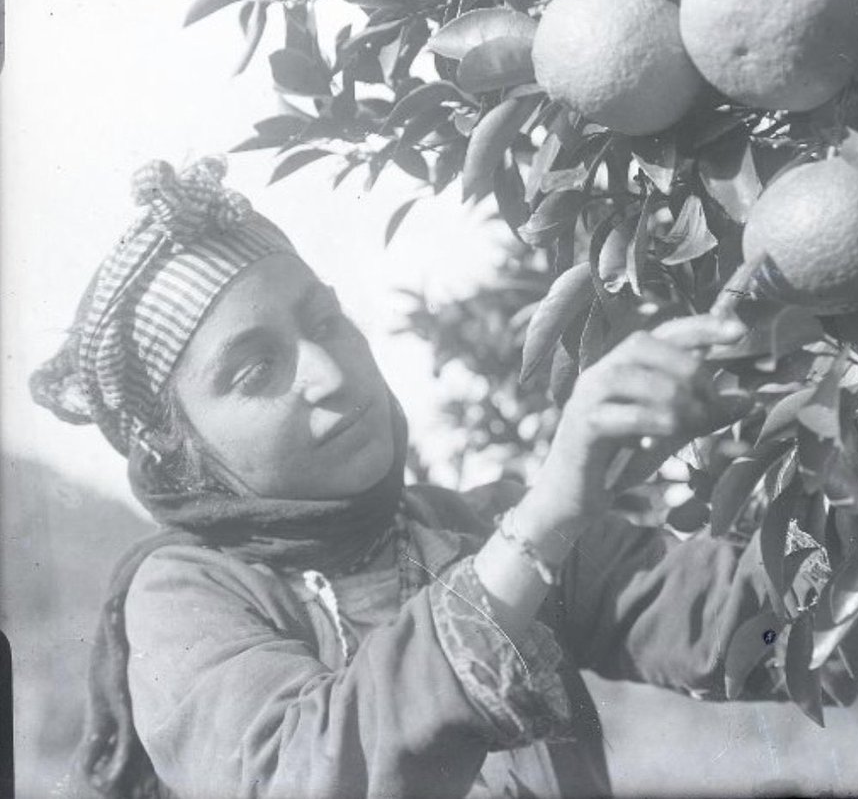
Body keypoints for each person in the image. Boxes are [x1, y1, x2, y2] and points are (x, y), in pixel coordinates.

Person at [30, 155, 813, 799]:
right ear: (179, 452)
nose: (332, 372)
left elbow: (757, 631)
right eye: (253, 369)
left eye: (326, 321)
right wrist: (540, 528)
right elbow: (303, 775)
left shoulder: (472, 531)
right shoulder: (185, 596)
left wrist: (843, 435)